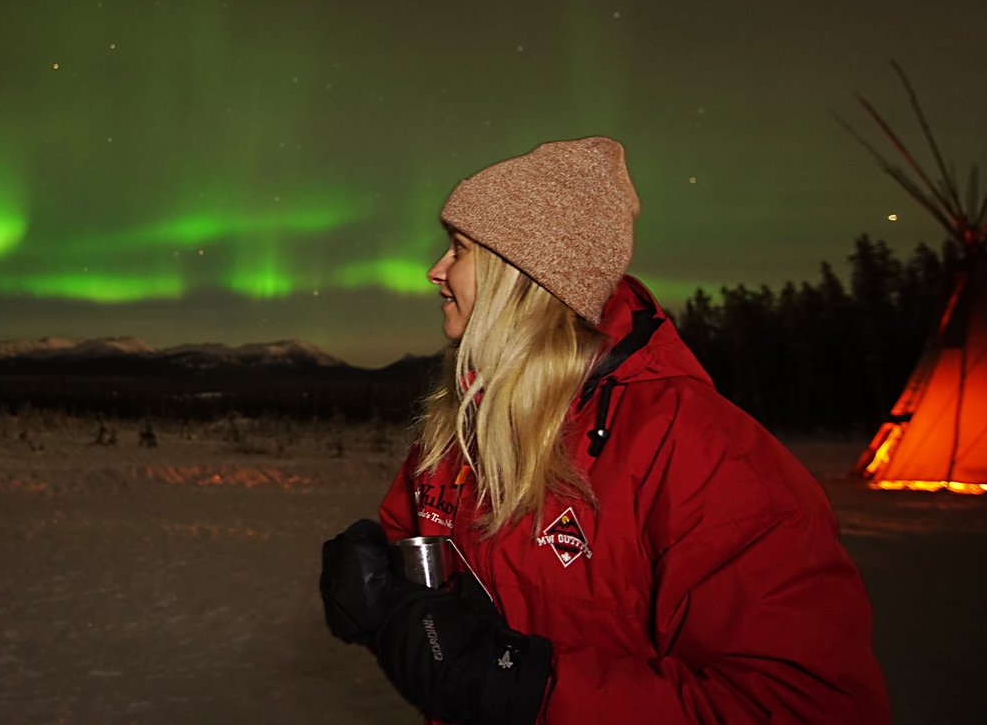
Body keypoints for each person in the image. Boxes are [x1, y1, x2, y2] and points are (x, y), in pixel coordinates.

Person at [319, 136, 890, 724]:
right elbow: (437, 603)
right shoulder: (463, 425)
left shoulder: (702, 453)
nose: (435, 272)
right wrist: (380, 596)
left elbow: (804, 706)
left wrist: (532, 690)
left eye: (460, 250)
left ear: (523, 274)